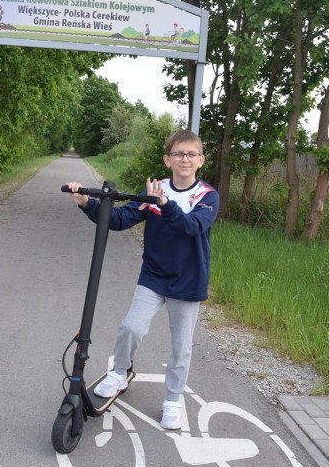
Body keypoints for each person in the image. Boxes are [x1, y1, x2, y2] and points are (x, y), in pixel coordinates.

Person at [65, 129, 219, 430]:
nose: (184, 159)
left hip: (188, 283)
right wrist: (87, 203)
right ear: (167, 159)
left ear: (200, 160)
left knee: (181, 346)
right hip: (154, 276)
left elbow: (192, 227)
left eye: (191, 154)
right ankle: (119, 373)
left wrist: (163, 204)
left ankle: (173, 400)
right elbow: (121, 220)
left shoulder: (207, 196)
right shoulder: (156, 188)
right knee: (130, 328)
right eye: (178, 154)